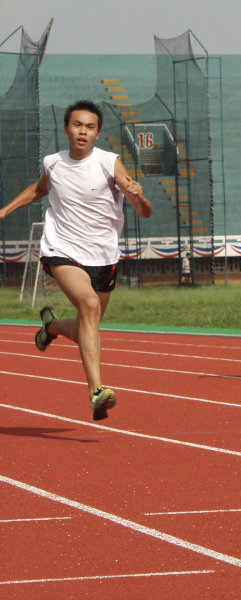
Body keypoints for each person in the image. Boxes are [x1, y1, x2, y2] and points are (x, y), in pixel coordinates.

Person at [0, 99, 152, 421]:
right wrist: (5, 210)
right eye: (77, 125)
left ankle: (52, 326)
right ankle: (97, 391)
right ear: (66, 128)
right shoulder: (53, 163)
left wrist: (139, 197)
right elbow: (39, 190)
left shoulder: (109, 162)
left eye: (90, 127)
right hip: (62, 249)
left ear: (97, 133)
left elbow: (143, 209)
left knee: (89, 324)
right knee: (89, 306)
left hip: (104, 255)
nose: (83, 131)